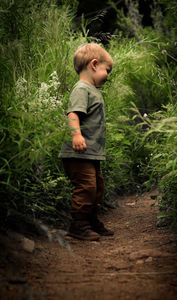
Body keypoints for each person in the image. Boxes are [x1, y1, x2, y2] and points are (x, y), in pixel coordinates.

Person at [59, 43, 114, 241]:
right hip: (79, 152)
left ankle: (90, 220)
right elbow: (73, 114)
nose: (108, 75)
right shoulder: (81, 89)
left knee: (97, 187)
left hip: (90, 152)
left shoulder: (91, 90)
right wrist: (76, 135)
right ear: (94, 64)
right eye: (107, 70)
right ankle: (78, 224)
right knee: (87, 187)